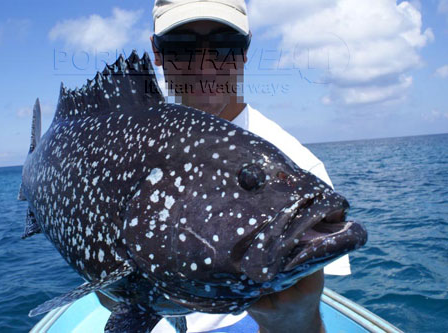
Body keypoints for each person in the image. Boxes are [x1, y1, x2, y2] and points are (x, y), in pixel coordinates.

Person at [149, 1, 351, 332]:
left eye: (225, 46)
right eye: (181, 47)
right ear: (157, 52)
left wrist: (296, 321)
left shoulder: (301, 167)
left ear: (245, 51)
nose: (205, 65)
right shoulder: (126, 145)